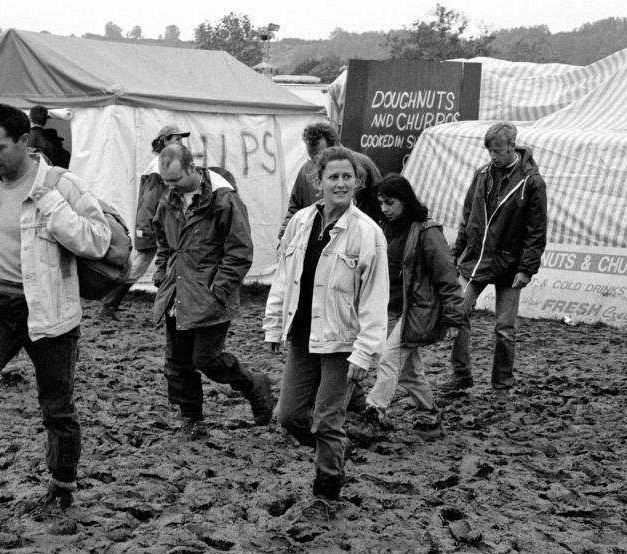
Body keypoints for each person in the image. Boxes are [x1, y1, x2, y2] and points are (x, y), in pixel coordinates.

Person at [0, 104, 112, 526]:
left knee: (57, 406)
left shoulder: (62, 185)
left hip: (49, 312)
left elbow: (97, 241)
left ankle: (62, 489)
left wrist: (51, 204)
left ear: (24, 142)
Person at [264, 145, 389, 506]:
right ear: (317, 181)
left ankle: (328, 489)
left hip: (343, 342)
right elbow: (283, 278)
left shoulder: (368, 234)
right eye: (332, 177)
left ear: (358, 182)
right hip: (303, 336)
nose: (340, 183)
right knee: (288, 416)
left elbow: (375, 299)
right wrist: (274, 325)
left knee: (325, 421)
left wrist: (364, 353)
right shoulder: (301, 223)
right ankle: (334, 450)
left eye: (347, 177)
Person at [152, 143, 274, 433]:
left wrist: (219, 288)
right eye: (166, 182)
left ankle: (254, 384)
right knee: (178, 363)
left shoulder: (224, 200)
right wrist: (161, 273)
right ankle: (191, 419)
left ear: (192, 168)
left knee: (206, 358)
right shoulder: (168, 200)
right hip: (177, 292)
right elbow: (163, 240)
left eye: (176, 180)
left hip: (211, 295)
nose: (170, 187)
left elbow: (240, 251)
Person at [443, 121, 548, 397]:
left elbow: (536, 230)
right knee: (457, 312)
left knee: (505, 328)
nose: (492, 156)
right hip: (476, 259)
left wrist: (527, 268)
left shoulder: (532, 182)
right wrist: (458, 252)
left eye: (497, 151)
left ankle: (502, 383)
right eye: (489, 150)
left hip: (510, 264)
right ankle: (461, 374)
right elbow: (468, 217)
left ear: (512, 147)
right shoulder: (481, 175)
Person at [358, 174, 463, 442]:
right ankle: (429, 415)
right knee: (408, 370)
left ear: (405, 200)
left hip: (417, 311)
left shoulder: (427, 232)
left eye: (389, 203)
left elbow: (446, 276)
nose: (384, 209)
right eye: (381, 203)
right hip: (391, 309)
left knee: (389, 359)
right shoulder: (386, 228)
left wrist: (453, 318)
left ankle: (375, 412)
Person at [99, 124, 190, 319]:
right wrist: (152, 226)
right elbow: (151, 200)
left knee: (162, 263)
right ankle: (109, 304)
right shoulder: (160, 165)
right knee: (139, 266)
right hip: (154, 222)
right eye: (176, 139)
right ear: (165, 141)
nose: (180, 142)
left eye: (181, 139)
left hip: (157, 222)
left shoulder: (163, 163)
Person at [277, 121, 339, 241]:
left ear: (334, 146)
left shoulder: (358, 167)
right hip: (314, 239)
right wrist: (285, 231)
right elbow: (295, 206)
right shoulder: (306, 170)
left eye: (320, 156)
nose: (316, 163)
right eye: (312, 158)